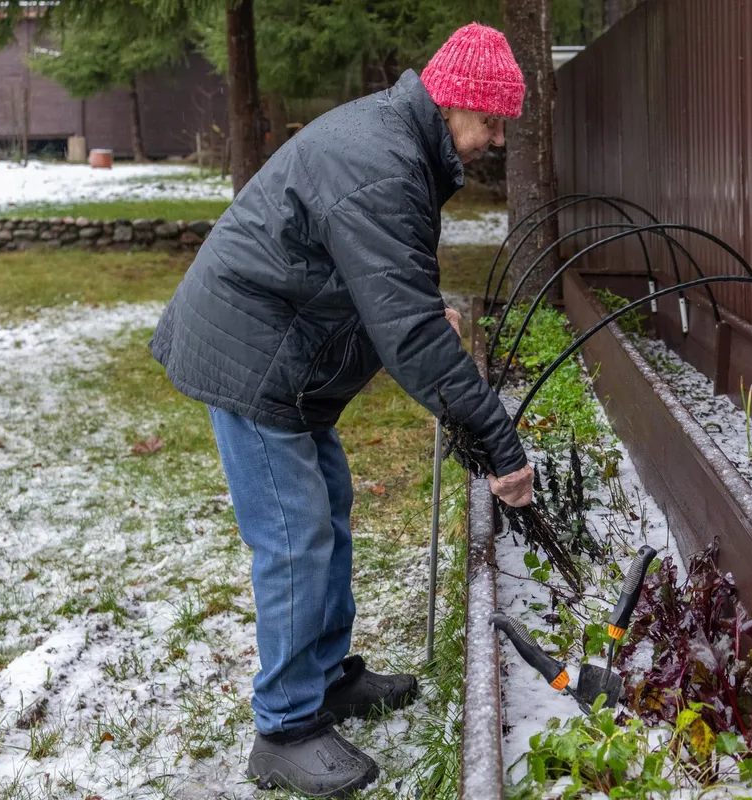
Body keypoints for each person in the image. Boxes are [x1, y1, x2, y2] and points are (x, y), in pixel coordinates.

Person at [149, 22, 535, 797]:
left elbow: (373, 276)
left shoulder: (396, 143)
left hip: (284, 354)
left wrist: (415, 309)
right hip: (253, 359)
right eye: (491, 121)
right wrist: (501, 447)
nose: (495, 139)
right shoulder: (384, 160)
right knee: (295, 539)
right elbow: (415, 342)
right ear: (455, 101)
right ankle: (284, 728)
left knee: (328, 512)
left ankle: (324, 680)